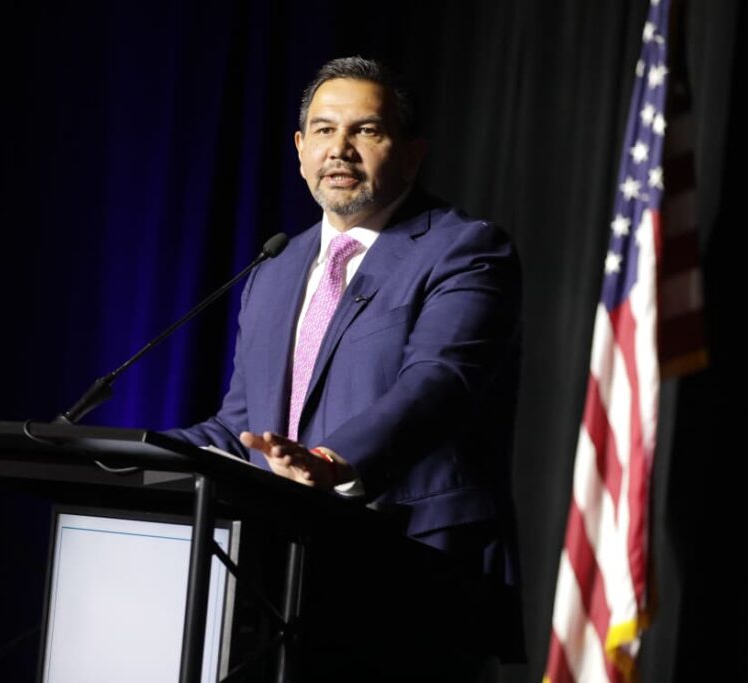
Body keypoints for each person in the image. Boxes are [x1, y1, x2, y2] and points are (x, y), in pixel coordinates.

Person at [169, 56, 524, 673]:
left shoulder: (465, 249)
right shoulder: (275, 267)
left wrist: (333, 460)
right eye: (325, 130)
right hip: (278, 576)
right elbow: (242, 426)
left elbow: (439, 381)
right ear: (300, 149)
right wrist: (136, 455)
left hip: (413, 570)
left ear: (412, 155)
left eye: (367, 130)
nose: (341, 149)